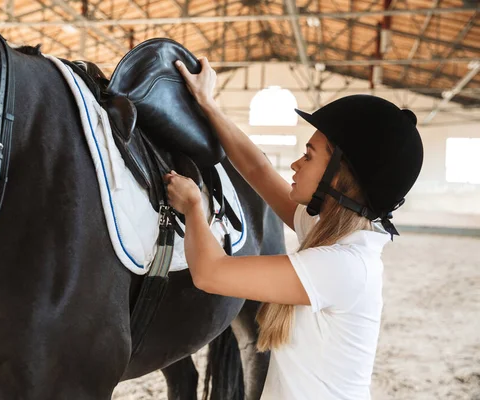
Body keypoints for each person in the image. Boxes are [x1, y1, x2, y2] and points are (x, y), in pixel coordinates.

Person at [164, 57, 424, 399]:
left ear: (341, 176)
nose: (295, 164)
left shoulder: (343, 265)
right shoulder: (330, 233)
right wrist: (208, 105)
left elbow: (210, 273)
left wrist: (194, 206)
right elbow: (257, 171)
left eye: (310, 155)